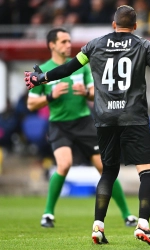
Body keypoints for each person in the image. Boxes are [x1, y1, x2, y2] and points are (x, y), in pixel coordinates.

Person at [24, 5, 150, 245]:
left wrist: (41, 78)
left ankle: (98, 226)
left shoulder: (94, 44)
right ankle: (143, 224)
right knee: (147, 171)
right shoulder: (143, 44)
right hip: (133, 117)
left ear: (113, 25)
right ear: (135, 26)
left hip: (104, 118)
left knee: (108, 171)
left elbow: (69, 68)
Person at [26, 27, 138, 228]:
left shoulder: (80, 66)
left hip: (84, 122)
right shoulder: (43, 71)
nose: (68, 45)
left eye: (69, 41)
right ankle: (48, 214)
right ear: (52, 45)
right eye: (64, 41)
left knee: (105, 168)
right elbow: (31, 104)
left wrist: (85, 91)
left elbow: (96, 93)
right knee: (64, 164)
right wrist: (52, 95)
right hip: (59, 125)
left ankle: (127, 215)